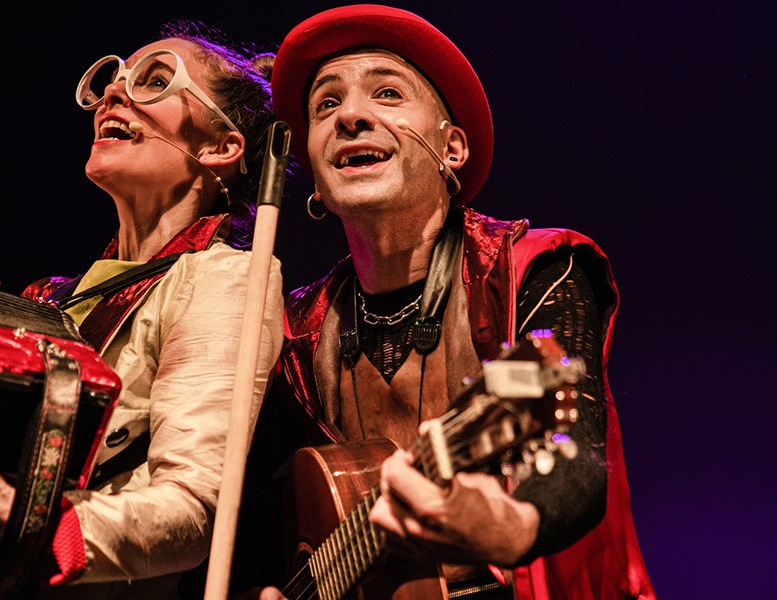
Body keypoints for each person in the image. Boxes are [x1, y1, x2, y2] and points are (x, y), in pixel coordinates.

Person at [0, 19, 285, 599]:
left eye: (155, 81)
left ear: (220, 147)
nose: (114, 92)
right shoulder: (54, 299)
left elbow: (196, 508)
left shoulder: (224, 278)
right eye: (115, 79)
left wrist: (26, 527)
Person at [253, 4, 655, 599]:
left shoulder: (532, 269)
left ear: (454, 149)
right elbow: (243, 514)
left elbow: (574, 452)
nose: (351, 116)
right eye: (325, 104)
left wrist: (510, 525)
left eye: (386, 93)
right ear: (313, 172)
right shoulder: (300, 335)